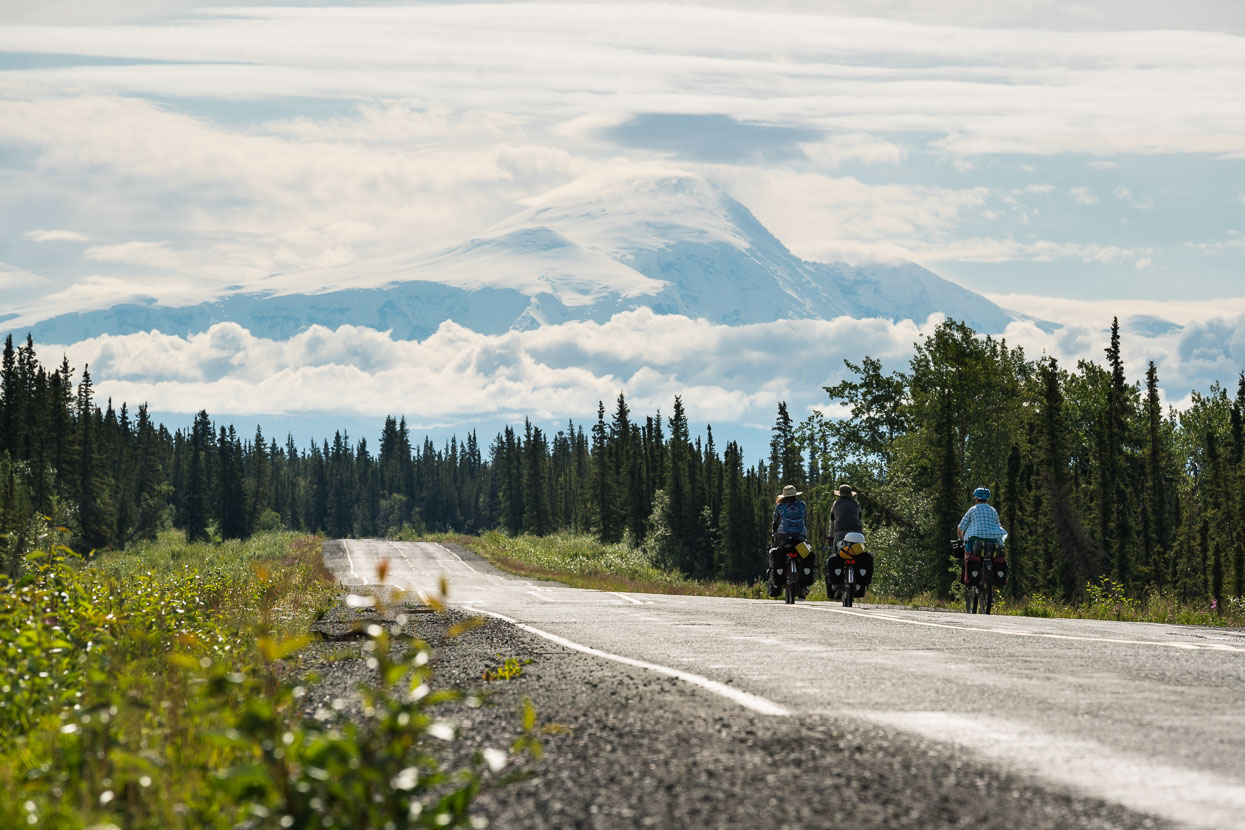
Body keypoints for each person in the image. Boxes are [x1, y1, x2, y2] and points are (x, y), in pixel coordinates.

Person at [769, 484, 814, 597]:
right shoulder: (802, 505)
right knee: (803, 555)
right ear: (795, 495)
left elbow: (775, 522)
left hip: (783, 536)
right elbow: (804, 519)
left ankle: (774, 585)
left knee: (777, 551)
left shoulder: (780, 506)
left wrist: (774, 535)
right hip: (800, 535)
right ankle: (803, 586)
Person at [957, 486, 1007, 560]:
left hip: (975, 540)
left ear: (976, 498)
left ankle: (967, 570)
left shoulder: (972, 510)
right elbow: (998, 526)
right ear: (987, 499)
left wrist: (962, 541)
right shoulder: (993, 510)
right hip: (993, 542)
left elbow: (960, 530)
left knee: (967, 555)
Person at [827, 483, 862, 549]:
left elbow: (832, 522)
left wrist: (830, 537)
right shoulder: (856, 503)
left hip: (840, 533)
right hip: (857, 533)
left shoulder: (836, 503)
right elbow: (860, 520)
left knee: (837, 554)